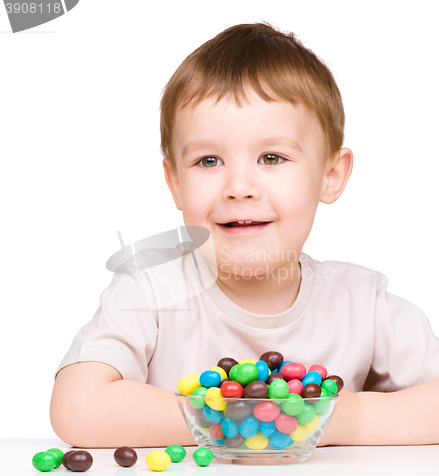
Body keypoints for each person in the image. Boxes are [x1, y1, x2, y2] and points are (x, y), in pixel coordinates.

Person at [50, 22, 439, 448]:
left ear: (330, 175)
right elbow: (77, 408)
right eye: (208, 160)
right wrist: (240, 420)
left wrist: (342, 419)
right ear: (175, 181)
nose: (239, 185)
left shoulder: (361, 304)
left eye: (271, 157)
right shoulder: (150, 288)